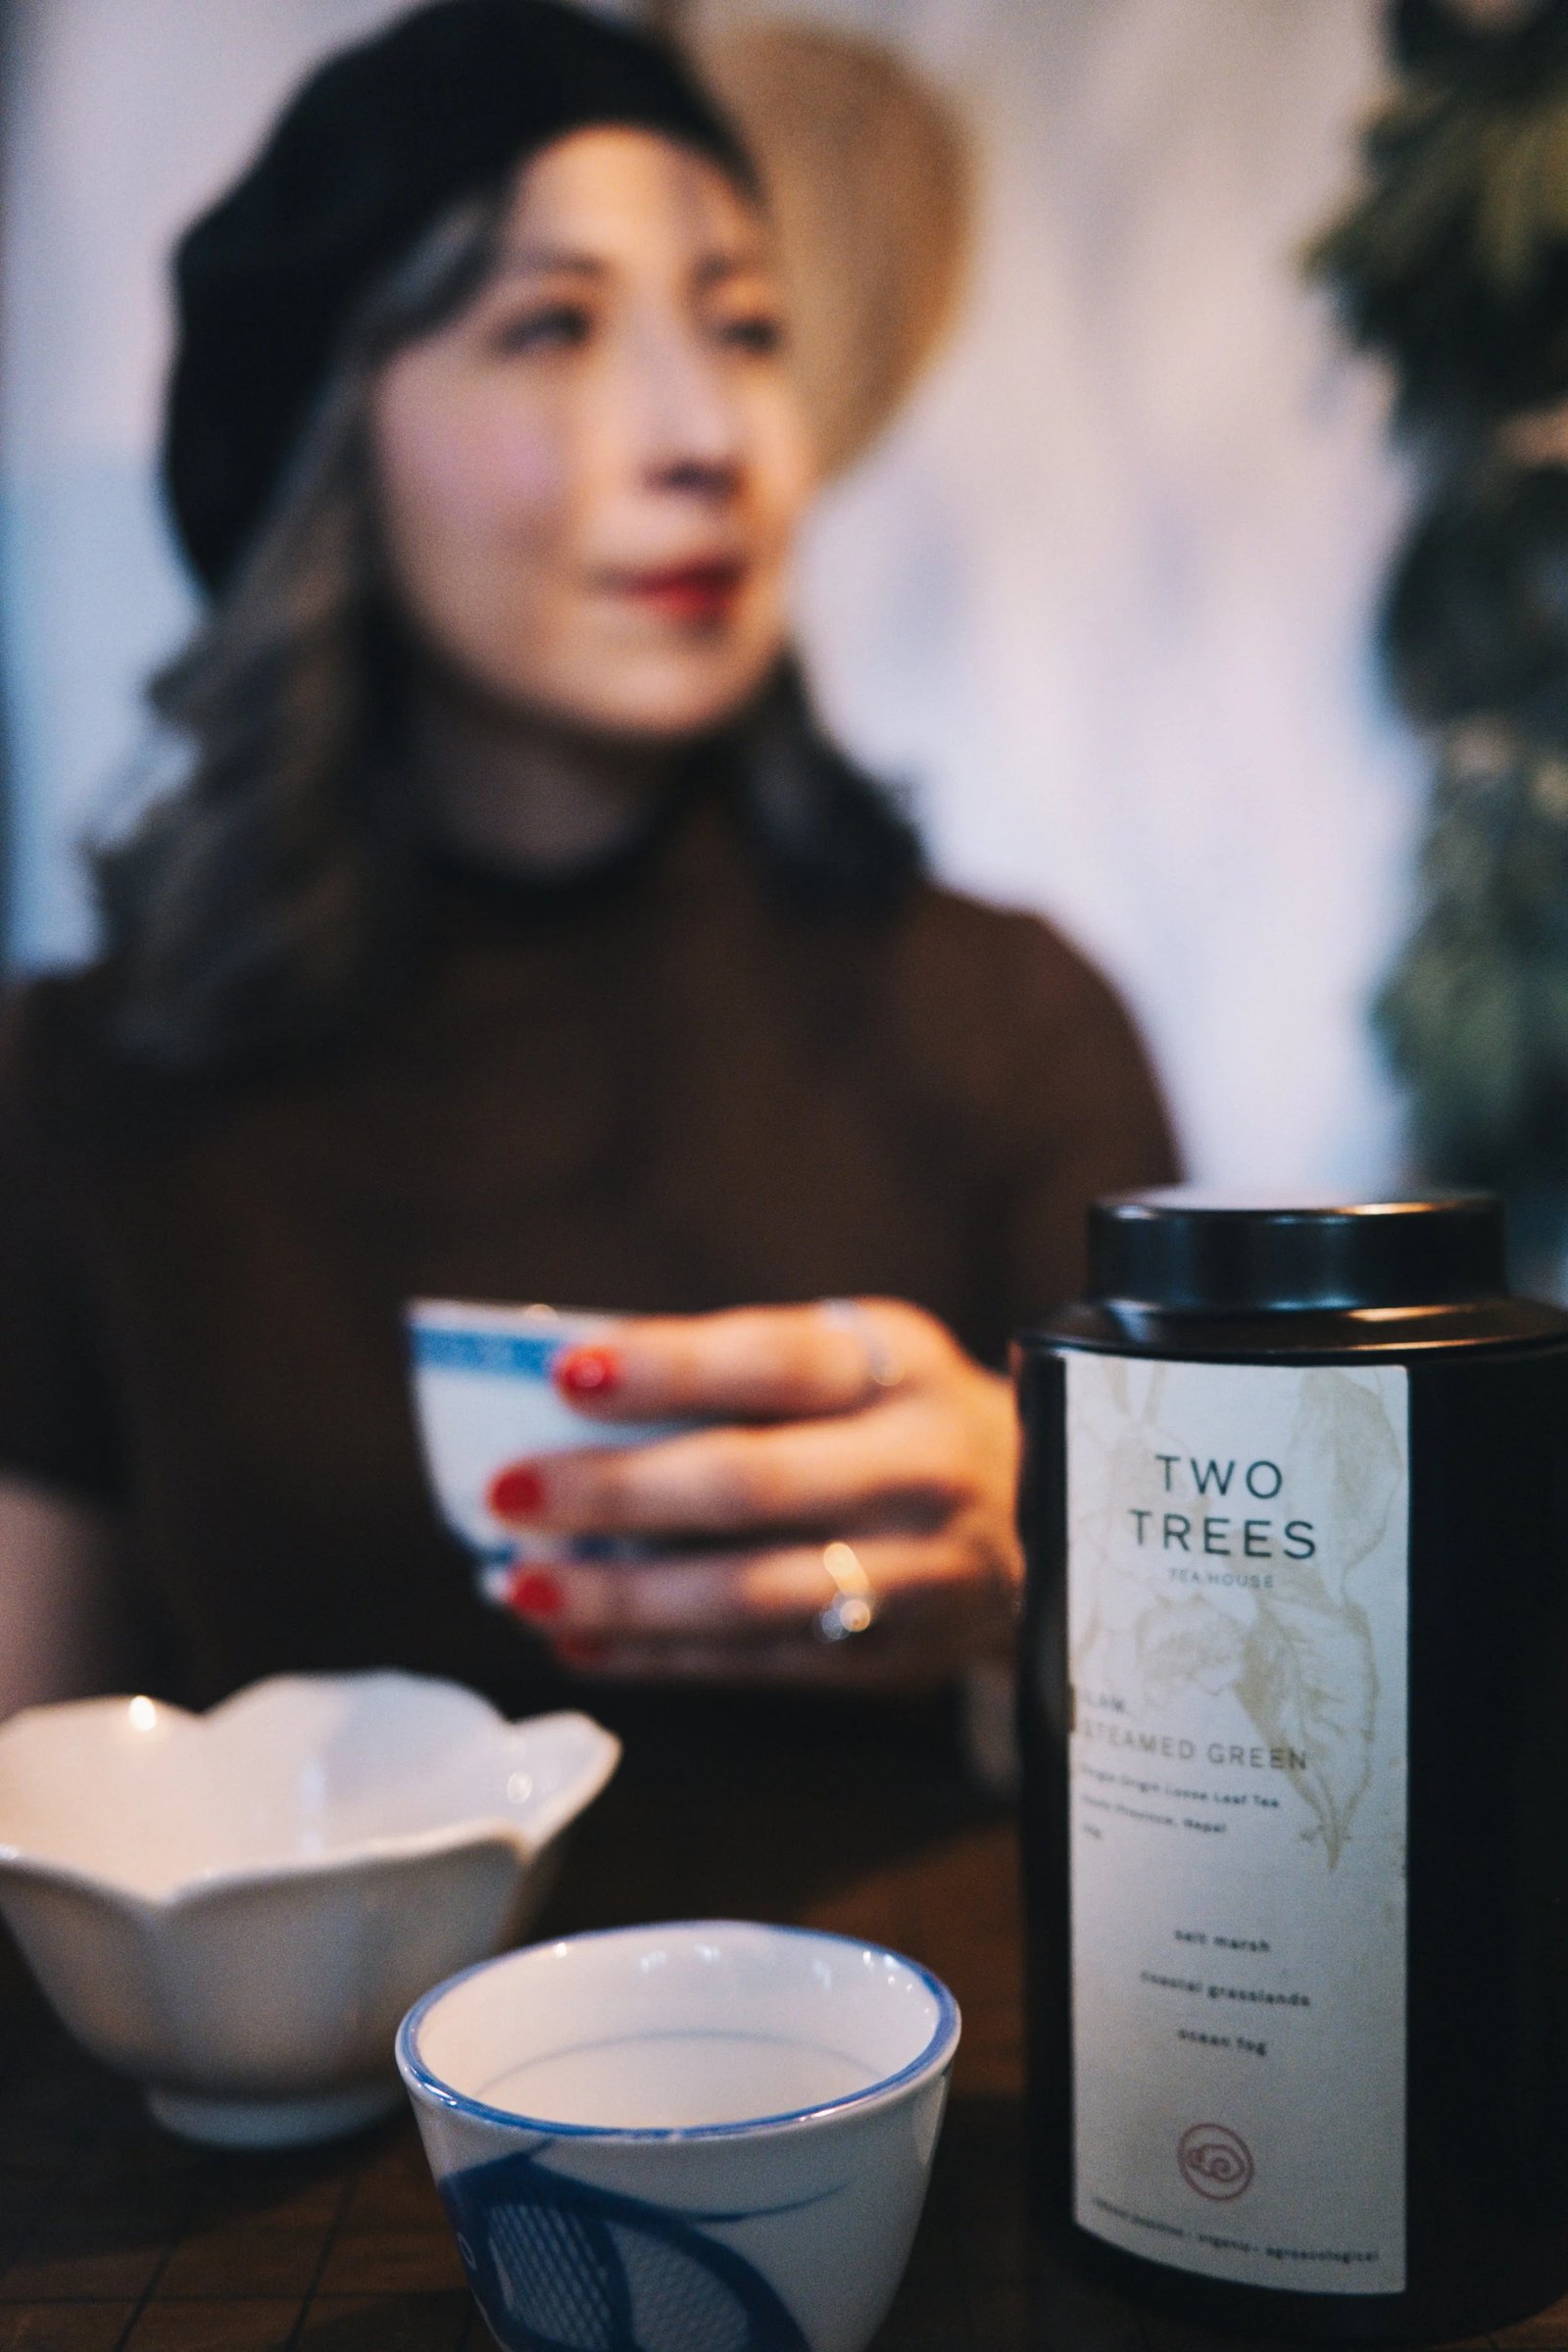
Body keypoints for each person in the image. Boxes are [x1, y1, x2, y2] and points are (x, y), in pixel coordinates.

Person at [0, 0, 1174, 1837]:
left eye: (748, 327)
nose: (706, 431)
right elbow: (36, 1814)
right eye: (549, 326)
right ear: (326, 437)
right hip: (304, 2121)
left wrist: (1076, 1559)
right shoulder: (92, 1078)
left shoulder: (1008, 1016)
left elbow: (1254, 1785)